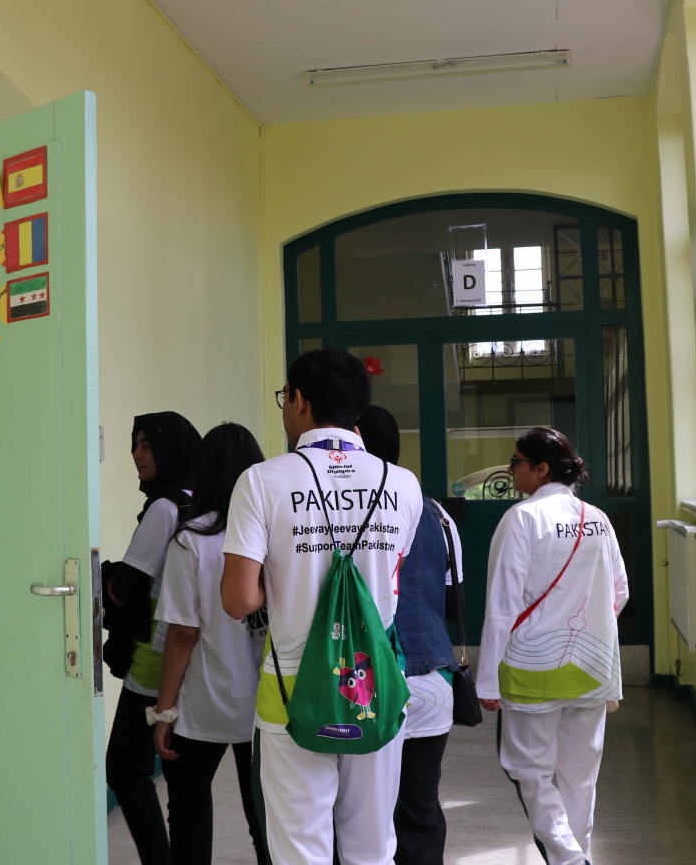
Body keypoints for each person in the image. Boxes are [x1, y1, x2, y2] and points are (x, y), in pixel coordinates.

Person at [220, 349, 424, 865]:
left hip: (291, 691)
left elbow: (238, 599)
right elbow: (391, 573)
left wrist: (286, 578)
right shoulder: (403, 485)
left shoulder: (262, 481)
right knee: (372, 846)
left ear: (300, 401)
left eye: (285, 398)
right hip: (373, 685)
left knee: (299, 849)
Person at [476, 428, 628, 865]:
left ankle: (567, 857)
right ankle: (579, 853)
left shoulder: (523, 518)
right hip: (593, 669)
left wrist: (488, 680)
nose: (511, 469)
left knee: (529, 770)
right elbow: (619, 592)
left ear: (541, 469)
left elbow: (502, 605)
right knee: (581, 776)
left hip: (532, 669)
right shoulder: (596, 515)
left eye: (517, 461)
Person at [149, 422, 272, 865]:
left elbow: (183, 633)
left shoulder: (193, 539)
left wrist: (163, 712)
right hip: (270, 705)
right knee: (267, 822)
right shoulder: (277, 532)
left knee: (187, 813)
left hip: (207, 703)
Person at [354, 405, 462, 865]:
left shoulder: (342, 511)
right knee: (420, 811)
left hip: (365, 686)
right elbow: (453, 602)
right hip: (433, 682)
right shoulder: (438, 514)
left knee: (360, 820)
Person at [105, 411, 201, 865]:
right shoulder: (199, 501)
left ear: (170, 449)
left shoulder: (165, 508)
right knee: (181, 781)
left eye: (146, 445)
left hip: (154, 658)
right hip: (194, 660)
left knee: (125, 770)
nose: (137, 455)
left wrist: (102, 581)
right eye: (134, 446)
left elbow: (125, 588)